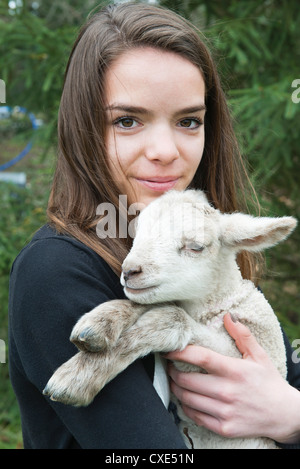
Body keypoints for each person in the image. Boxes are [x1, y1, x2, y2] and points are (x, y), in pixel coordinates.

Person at [8, 2, 300, 449]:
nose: (165, 150)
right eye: (127, 121)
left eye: (188, 121)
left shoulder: (210, 258)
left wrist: (288, 416)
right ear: (85, 126)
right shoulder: (58, 273)